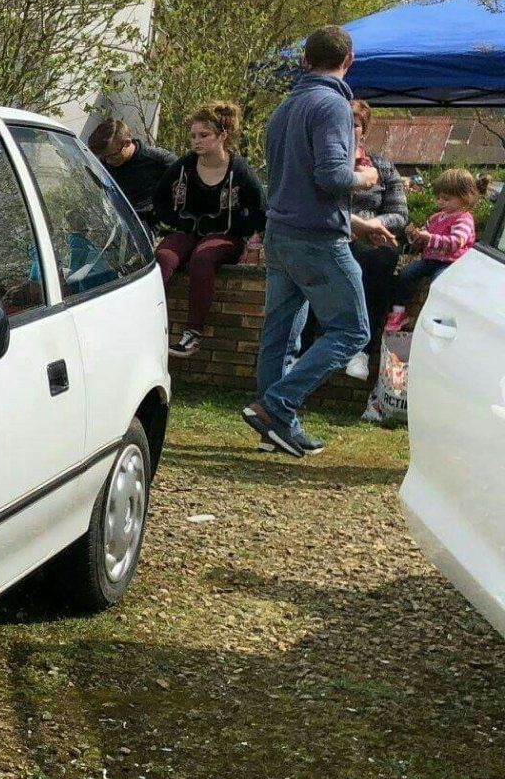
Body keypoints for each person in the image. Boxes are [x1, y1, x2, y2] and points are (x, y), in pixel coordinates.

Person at [246, 25, 377, 458]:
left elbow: (293, 179)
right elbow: (332, 176)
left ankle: (277, 426)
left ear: (305, 60)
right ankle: (277, 404)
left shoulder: (286, 107)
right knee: (353, 329)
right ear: (349, 60)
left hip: (279, 233)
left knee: (280, 332)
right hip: (317, 239)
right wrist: (368, 177)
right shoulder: (333, 105)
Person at [149, 102, 264, 357]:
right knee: (164, 256)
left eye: (204, 135)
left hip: (224, 236)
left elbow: (259, 207)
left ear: (222, 136)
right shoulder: (184, 166)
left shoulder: (239, 169)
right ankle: (147, 326)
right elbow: (159, 198)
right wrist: (174, 220)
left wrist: (245, 233)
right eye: (193, 136)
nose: (197, 141)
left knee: (203, 257)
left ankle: (192, 334)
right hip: (187, 231)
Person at [319, 99, 408, 381]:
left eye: (355, 125)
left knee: (376, 262)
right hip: (330, 237)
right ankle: (305, 350)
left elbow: (399, 213)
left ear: (364, 131)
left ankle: (362, 350)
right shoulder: (324, 164)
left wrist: (371, 225)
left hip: (371, 240)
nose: (349, 129)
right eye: (343, 124)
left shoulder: (383, 168)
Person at [386, 168, 482, 328]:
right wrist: (415, 236)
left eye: (446, 199)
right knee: (406, 274)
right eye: (439, 198)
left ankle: (438, 318)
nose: (440, 202)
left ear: (465, 197)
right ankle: (399, 311)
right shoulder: (436, 218)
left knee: (438, 283)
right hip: (431, 259)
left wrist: (428, 237)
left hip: (451, 263)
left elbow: (455, 242)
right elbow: (424, 238)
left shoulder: (463, 219)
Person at [86, 118, 176, 227]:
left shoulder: (159, 160)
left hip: (154, 229)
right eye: (104, 157)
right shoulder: (103, 166)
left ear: (127, 143)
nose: (108, 161)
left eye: (112, 155)